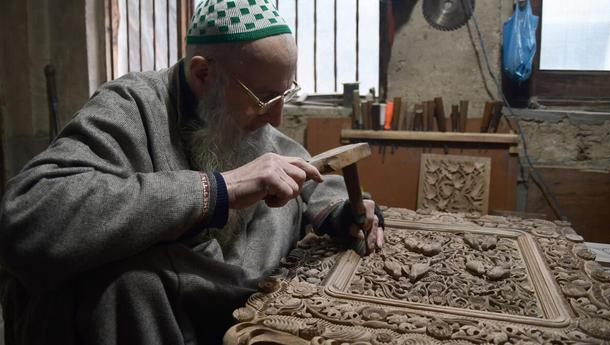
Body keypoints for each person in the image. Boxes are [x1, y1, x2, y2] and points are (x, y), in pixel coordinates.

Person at [0, 1, 384, 344]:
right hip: (164, 307)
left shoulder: (249, 118)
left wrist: (338, 210)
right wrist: (219, 189)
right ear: (202, 75)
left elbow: (299, 165)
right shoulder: (130, 105)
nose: (277, 117)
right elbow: (27, 217)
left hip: (228, 296)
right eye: (264, 99)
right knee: (130, 285)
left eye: (284, 95)